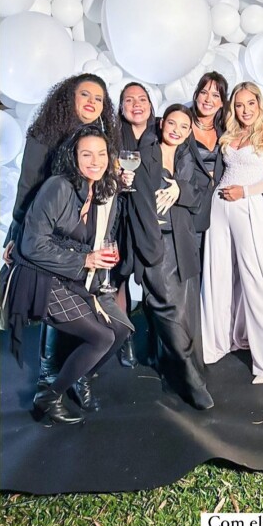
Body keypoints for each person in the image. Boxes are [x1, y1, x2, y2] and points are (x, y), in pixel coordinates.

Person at [3, 126, 132, 425]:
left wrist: (97, 272)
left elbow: (101, 240)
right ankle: (50, 396)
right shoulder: (58, 186)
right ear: (73, 157)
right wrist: (85, 259)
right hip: (37, 276)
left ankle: (79, 376)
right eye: (86, 154)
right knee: (101, 337)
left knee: (121, 329)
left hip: (72, 276)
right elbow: (32, 245)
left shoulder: (98, 189)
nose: (95, 160)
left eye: (101, 154)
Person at [3, 74, 119, 385]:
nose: (92, 102)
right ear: (70, 98)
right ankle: (48, 375)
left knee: (76, 304)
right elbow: (26, 188)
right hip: (44, 230)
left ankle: (74, 375)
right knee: (56, 308)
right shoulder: (44, 136)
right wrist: (15, 236)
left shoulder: (96, 138)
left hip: (79, 233)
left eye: (99, 98)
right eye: (85, 95)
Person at [201, 82, 263, 384]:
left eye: (250, 104)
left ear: (259, 104)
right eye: (239, 105)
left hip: (247, 205)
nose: (244, 110)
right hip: (219, 207)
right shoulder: (229, 134)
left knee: (255, 277)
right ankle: (217, 342)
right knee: (219, 274)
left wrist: (244, 192)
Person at [130, 104, 214, 410]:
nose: (177, 130)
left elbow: (203, 191)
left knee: (187, 309)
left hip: (183, 241)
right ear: (162, 122)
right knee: (168, 308)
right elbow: (134, 198)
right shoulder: (144, 153)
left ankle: (169, 363)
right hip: (155, 243)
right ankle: (190, 380)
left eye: (184, 126)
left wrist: (181, 190)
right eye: (172, 123)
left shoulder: (188, 155)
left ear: (190, 131)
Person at [114, 82, 159, 368]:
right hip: (119, 217)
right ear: (121, 107)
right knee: (118, 279)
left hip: (154, 219)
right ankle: (125, 337)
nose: (136, 104)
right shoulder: (113, 136)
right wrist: (116, 180)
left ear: (151, 105)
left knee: (154, 280)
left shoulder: (163, 132)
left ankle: (156, 337)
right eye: (129, 100)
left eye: (142, 99)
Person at [188, 71, 229, 262]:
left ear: (222, 102)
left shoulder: (226, 130)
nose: (208, 99)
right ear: (196, 95)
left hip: (219, 209)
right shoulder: (182, 124)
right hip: (188, 208)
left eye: (216, 95)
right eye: (204, 92)